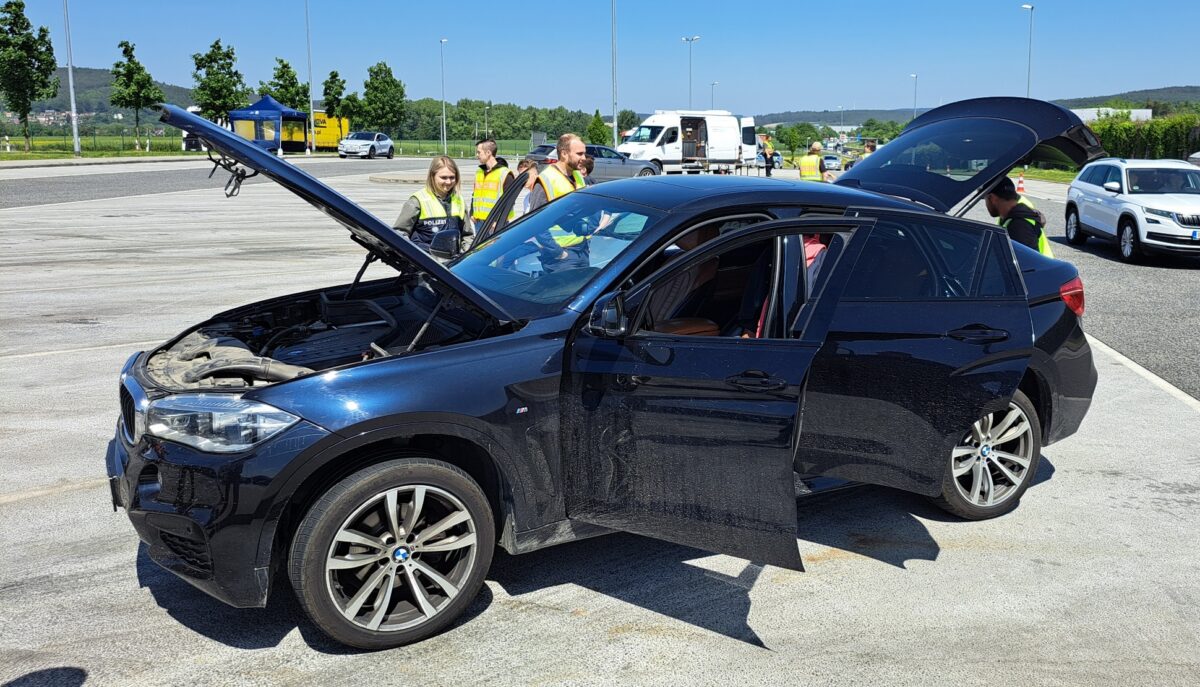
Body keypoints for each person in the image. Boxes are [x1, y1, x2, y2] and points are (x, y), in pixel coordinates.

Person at [392, 156, 466, 253]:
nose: (448, 182)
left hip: (452, 263)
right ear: (432, 176)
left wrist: (464, 256)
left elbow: (468, 235)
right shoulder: (417, 201)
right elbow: (399, 233)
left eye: (452, 177)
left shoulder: (459, 200)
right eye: (443, 177)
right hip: (426, 263)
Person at [985, 176, 1054, 257]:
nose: (986, 204)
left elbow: (1029, 265)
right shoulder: (1012, 216)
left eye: (985, 199)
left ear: (992, 198)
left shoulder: (1019, 226)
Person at [527, 133, 587, 212]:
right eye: (579, 154)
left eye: (584, 154)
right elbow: (535, 218)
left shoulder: (578, 175)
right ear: (564, 154)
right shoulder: (546, 180)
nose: (584, 158)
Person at [470, 138, 515, 231]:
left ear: (488, 153)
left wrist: (498, 220)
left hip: (495, 224)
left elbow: (510, 201)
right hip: (478, 222)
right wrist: (472, 213)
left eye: (479, 152)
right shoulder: (479, 172)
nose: (477, 155)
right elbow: (475, 195)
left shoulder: (505, 174)